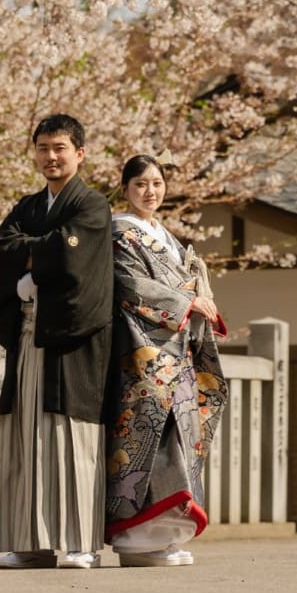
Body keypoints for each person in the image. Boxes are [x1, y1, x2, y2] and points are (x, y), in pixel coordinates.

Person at [0, 114, 114, 570]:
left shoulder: (94, 206)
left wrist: (31, 260)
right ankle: (30, 541)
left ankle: (83, 543)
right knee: (24, 434)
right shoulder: (26, 205)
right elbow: (4, 245)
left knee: (70, 437)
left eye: (59, 148)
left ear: (80, 153)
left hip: (71, 340)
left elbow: (71, 252)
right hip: (27, 337)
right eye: (42, 148)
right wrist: (41, 253)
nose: (50, 156)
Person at [105, 154, 228, 567]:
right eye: (140, 184)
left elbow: (190, 282)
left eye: (157, 183)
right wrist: (186, 300)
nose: (150, 191)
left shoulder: (170, 239)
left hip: (178, 354)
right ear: (125, 189)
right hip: (145, 355)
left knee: (178, 443)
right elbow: (129, 284)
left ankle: (169, 536)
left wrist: (198, 295)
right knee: (146, 441)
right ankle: (137, 539)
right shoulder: (120, 234)